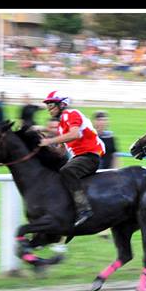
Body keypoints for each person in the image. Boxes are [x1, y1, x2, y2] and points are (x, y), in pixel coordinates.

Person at [38, 91, 106, 227]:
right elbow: (61, 151)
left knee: (67, 171)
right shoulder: (62, 126)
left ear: (62, 104)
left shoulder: (71, 114)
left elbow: (74, 134)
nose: (48, 109)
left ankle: (84, 209)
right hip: (79, 158)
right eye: (48, 106)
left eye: (51, 105)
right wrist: (42, 145)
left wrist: (49, 140)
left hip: (90, 156)